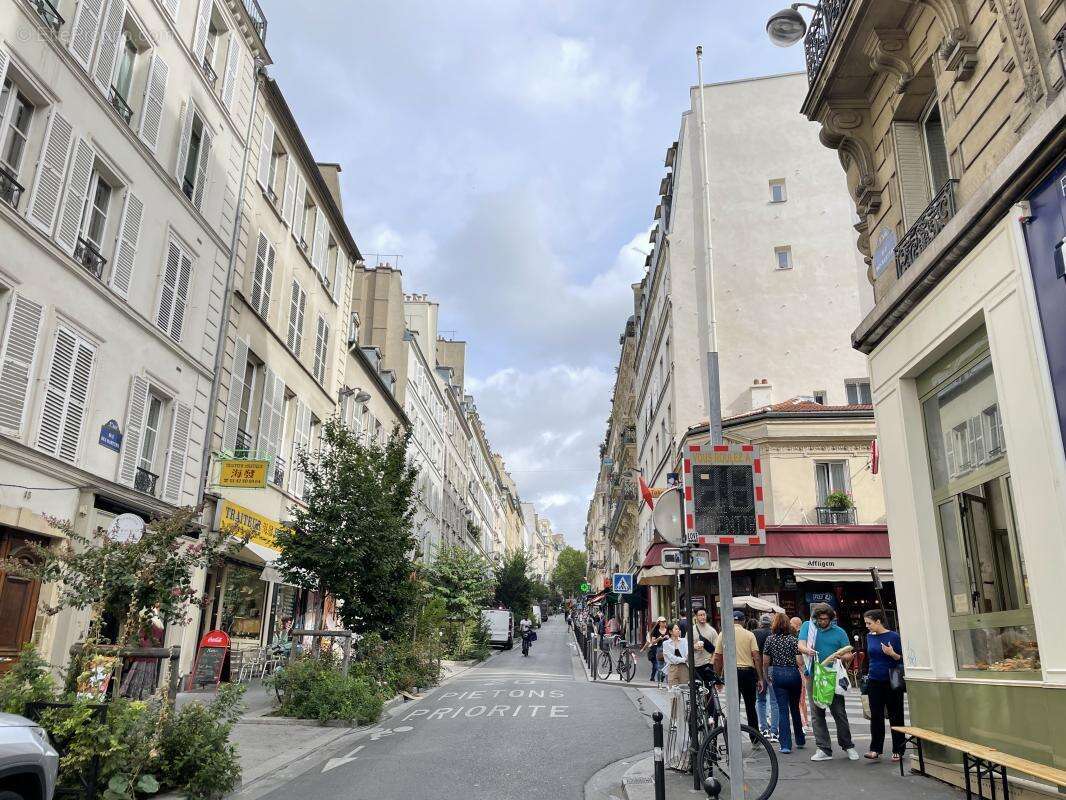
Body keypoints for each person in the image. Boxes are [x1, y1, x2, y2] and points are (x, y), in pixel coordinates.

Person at [798, 603, 858, 762]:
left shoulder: (839, 632)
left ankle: (848, 745)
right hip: (813, 675)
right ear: (815, 618)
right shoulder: (808, 627)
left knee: (839, 712)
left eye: (826, 619)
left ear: (831, 618)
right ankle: (823, 748)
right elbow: (801, 644)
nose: (822, 622)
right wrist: (807, 650)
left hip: (832, 675)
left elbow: (849, 654)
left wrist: (841, 656)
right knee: (817, 713)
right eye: (820, 619)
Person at [863, 609, 905, 762]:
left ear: (878, 621)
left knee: (896, 714)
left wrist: (892, 654)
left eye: (869, 623)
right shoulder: (869, 637)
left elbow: (902, 658)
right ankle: (875, 749)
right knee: (876, 715)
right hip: (874, 679)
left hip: (892, 678)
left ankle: (898, 749)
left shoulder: (893, 636)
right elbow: (870, 658)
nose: (867, 626)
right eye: (866, 623)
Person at [713, 610, 763, 733]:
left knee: (732, 707)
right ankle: (755, 738)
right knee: (750, 707)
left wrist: (718, 678)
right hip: (748, 673)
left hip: (731, 673)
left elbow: (717, 658)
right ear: (743, 621)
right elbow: (756, 657)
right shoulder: (749, 634)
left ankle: (732, 736)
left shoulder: (723, 634)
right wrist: (760, 678)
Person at [762, 613, 806, 754]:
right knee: (794, 707)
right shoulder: (794, 640)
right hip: (793, 673)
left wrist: (766, 675)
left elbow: (765, 661)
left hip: (778, 673)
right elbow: (800, 662)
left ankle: (785, 744)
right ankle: (800, 739)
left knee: (782, 710)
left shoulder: (770, 639)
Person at [753, 613, 777, 741]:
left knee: (760, 699)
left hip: (760, 668)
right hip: (773, 668)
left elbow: (754, 653)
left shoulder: (754, 633)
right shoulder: (774, 633)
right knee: (774, 701)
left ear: (760, 622)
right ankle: (774, 731)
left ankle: (763, 729)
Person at [790, 616, 811, 732]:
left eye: (791, 623)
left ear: (797, 625)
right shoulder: (803, 637)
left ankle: (804, 724)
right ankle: (805, 722)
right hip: (803, 670)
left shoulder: (797, 638)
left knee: (799, 700)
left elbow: (799, 660)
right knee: (802, 700)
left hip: (799, 670)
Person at [691, 608, 718, 688]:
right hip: (695, 664)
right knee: (697, 689)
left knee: (710, 690)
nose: (703, 617)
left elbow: (716, 649)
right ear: (696, 617)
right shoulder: (691, 630)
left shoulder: (712, 631)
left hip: (707, 663)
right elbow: (686, 646)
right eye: (700, 615)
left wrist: (711, 663)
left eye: (704, 615)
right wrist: (694, 647)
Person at [662, 622, 689, 688]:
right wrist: (683, 659)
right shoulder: (666, 643)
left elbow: (687, 654)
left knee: (685, 690)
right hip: (672, 668)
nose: (678, 631)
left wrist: (684, 659)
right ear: (670, 632)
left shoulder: (684, 641)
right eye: (676, 629)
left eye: (679, 629)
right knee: (673, 692)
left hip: (684, 668)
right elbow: (671, 658)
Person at [643, 617, 670, 683]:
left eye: (665, 621)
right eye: (662, 622)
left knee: (668, 665)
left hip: (668, 649)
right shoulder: (656, 631)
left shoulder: (668, 630)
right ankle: (659, 683)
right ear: (659, 623)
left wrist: (669, 637)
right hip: (659, 649)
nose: (664, 623)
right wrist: (659, 639)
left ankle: (667, 683)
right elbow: (652, 642)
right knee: (660, 666)